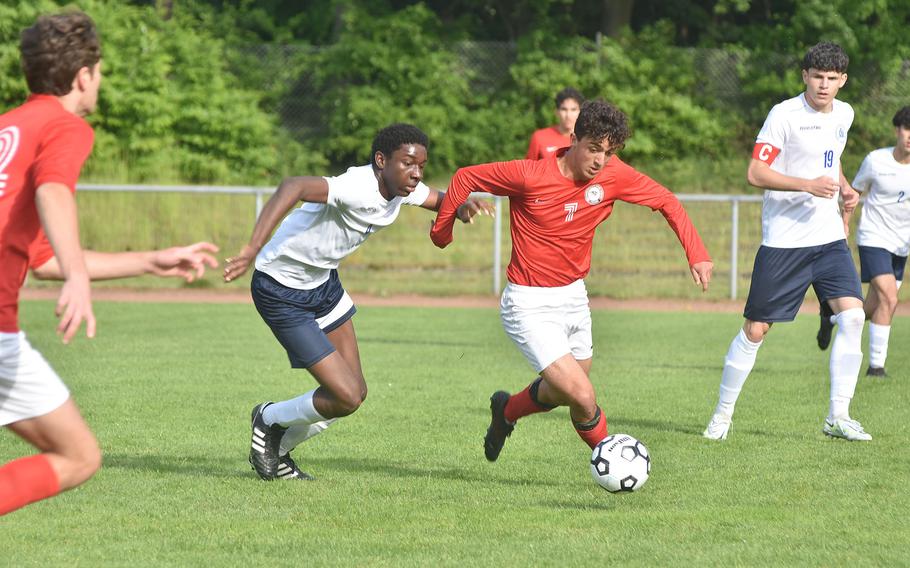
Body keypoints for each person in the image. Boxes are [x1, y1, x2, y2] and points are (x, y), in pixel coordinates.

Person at [0, 12, 220, 517]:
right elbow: (53, 189)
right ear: (84, 76)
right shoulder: (64, 125)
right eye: (100, 71)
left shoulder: (8, 127)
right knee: (77, 455)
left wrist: (148, 260)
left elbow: (45, 260)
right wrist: (79, 279)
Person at [430, 100, 713, 462]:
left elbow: (666, 201)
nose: (600, 160)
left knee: (562, 392)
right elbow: (466, 176)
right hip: (528, 303)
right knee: (582, 395)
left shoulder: (613, 175)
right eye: (594, 149)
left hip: (574, 298)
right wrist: (442, 232)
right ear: (574, 140)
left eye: (609, 153)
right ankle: (613, 461)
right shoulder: (530, 174)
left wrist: (698, 253)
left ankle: (506, 412)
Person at [223, 123, 493, 481]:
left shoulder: (400, 188)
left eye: (422, 166)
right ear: (381, 160)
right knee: (345, 395)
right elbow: (293, 186)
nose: (416, 174)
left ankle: (279, 446)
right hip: (280, 289)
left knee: (354, 393)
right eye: (408, 164)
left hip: (324, 285)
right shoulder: (356, 186)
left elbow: (438, 199)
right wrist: (252, 247)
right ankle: (269, 418)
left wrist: (459, 207)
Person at [703, 41, 870, 442]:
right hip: (785, 242)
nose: (823, 86)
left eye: (832, 79)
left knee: (853, 316)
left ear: (843, 80)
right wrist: (805, 185)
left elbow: (832, 159)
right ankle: (722, 416)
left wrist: (845, 189)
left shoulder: (844, 113)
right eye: (817, 77)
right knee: (757, 329)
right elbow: (756, 172)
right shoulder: (784, 115)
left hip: (828, 239)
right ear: (805, 76)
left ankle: (838, 416)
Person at [818, 106, 910, 377]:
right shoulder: (876, 161)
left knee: (876, 304)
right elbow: (852, 194)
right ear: (897, 130)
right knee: (890, 298)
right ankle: (876, 367)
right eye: (906, 128)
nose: (909, 136)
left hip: (901, 243)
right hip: (874, 237)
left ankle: (832, 317)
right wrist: (845, 223)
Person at [526, 87, 584, 160]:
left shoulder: (585, 139)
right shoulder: (539, 137)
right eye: (564, 109)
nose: (568, 115)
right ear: (556, 112)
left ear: (580, 112)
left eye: (573, 109)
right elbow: (529, 169)